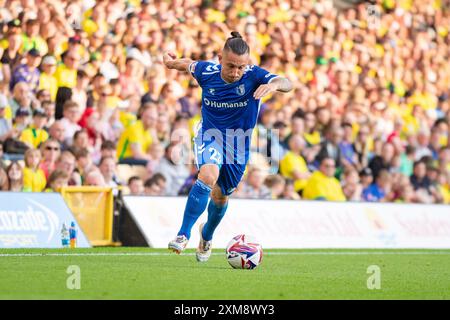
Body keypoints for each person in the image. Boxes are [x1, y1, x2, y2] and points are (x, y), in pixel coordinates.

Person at [163, 32, 292, 262]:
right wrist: (171, 63)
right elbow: (188, 65)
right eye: (231, 66)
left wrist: (272, 85)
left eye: (241, 67)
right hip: (210, 135)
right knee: (208, 175)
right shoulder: (208, 72)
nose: (236, 72)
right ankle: (183, 234)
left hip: (238, 145)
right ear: (220, 59)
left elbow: (287, 83)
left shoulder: (255, 76)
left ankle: (207, 235)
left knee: (221, 198)